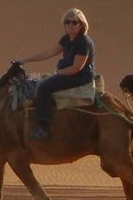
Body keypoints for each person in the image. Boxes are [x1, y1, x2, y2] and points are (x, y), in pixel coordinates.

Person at [13, 9, 96, 141]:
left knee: (44, 87)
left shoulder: (83, 43)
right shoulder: (66, 39)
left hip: (79, 77)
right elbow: (48, 53)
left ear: (82, 25)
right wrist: (24, 60)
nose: (70, 25)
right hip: (67, 73)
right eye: (67, 22)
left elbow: (76, 68)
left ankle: (43, 127)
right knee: (35, 81)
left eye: (74, 22)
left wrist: (58, 73)